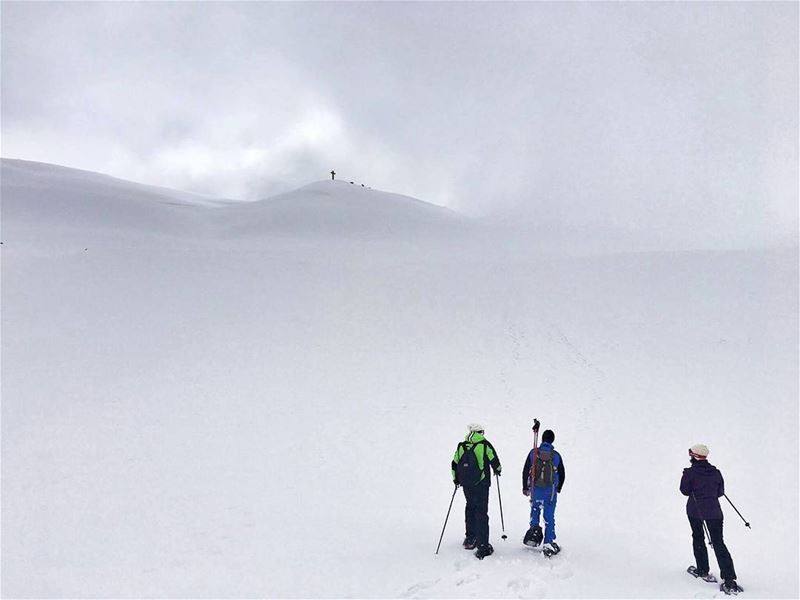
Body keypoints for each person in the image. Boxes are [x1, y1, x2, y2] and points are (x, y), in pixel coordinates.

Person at [680, 444, 740, 594]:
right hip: (715, 513)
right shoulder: (716, 472)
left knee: (698, 537)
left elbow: (684, 491)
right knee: (718, 542)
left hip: (695, 511)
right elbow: (720, 492)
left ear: (694, 457)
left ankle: (702, 570)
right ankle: (729, 580)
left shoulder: (690, 473)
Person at [451, 423, 502, 559]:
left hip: (466, 484)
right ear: (480, 432)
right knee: (481, 512)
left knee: (470, 507)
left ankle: (470, 538)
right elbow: (495, 461)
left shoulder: (462, 446)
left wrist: (456, 480)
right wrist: (497, 470)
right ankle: (483, 545)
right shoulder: (485, 445)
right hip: (481, 484)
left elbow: (454, 463)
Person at [522, 428, 565, 556]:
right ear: (552, 440)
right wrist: (558, 488)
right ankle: (548, 543)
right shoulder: (556, 456)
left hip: (536, 491)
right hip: (550, 493)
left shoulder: (534, 453)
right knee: (549, 517)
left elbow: (525, 470)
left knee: (535, 510)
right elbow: (562, 473)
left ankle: (533, 534)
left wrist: (525, 487)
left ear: (542, 439)